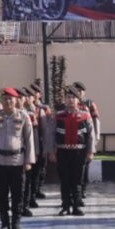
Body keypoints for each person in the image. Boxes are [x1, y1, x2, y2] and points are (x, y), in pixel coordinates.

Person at [0, 87, 35, 229]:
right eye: (5, 99)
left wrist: (29, 160)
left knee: (18, 194)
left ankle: (16, 223)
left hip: (17, 161)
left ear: (16, 100)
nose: (7, 101)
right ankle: (4, 223)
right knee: (2, 195)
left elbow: (29, 139)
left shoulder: (23, 116)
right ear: (1, 101)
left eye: (10, 99)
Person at [46, 87, 95, 216]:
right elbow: (50, 134)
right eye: (68, 97)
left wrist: (90, 152)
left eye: (73, 98)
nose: (70, 100)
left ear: (78, 100)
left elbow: (91, 135)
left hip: (79, 153)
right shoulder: (58, 116)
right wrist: (51, 152)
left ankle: (76, 206)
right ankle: (65, 205)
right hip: (63, 152)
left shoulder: (85, 115)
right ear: (65, 100)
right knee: (65, 180)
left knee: (77, 180)